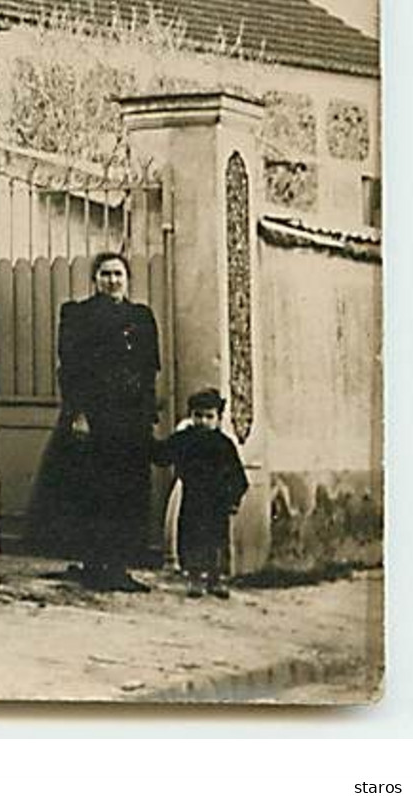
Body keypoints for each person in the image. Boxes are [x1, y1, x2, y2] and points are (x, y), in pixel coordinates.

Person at [52, 251, 163, 592]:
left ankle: (119, 566)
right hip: (96, 418)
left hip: (130, 420)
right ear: (95, 279)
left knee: (128, 493)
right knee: (93, 492)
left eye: (118, 274)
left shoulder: (141, 317)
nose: (112, 281)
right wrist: (79, 414)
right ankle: (94, 564)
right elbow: (70, 369)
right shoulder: (78, 314)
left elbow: (149, 371)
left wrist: (147, 415)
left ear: (127, 279)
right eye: (105, 274)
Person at [151, 388, 249, 599]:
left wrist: (233, 499)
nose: (203, 421)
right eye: (198, 415)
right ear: (191, 416)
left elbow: (238, 476)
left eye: (209, 416)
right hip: (193, 497)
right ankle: (194, 576)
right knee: (191, 536)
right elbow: (162, 455)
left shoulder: (224, 445)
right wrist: (147, 440)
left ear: (219, 418)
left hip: (217, 500)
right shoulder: (184, 439)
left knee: (217, 539)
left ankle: (216, 578)